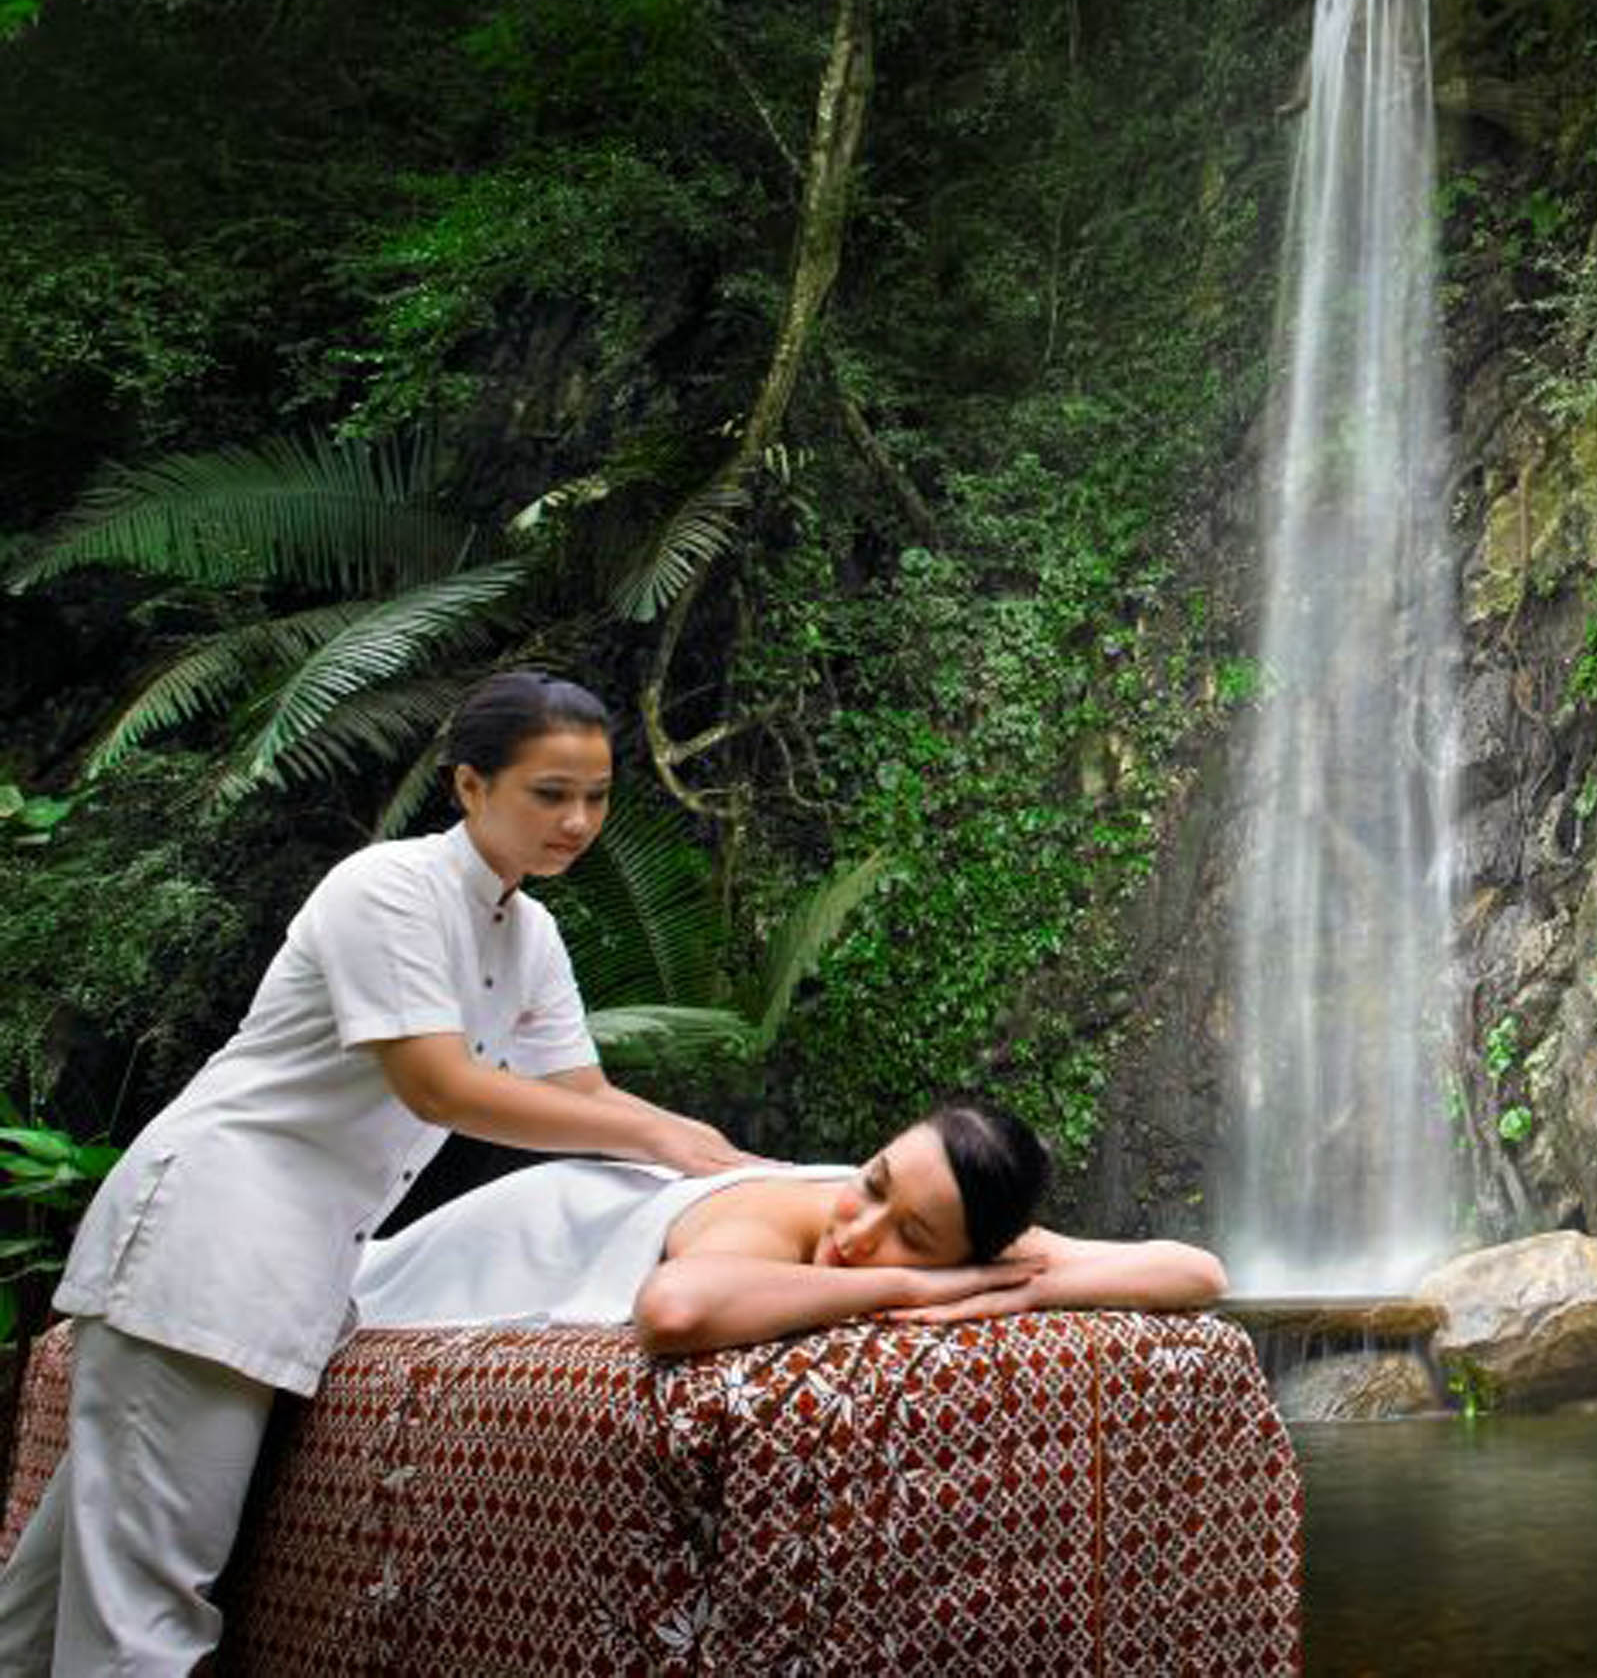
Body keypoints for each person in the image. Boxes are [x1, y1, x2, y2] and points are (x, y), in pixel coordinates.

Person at [0, 672, 762, 1678]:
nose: (578, 819)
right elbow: (439, 1084)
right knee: (144, 1607)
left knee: (49, 1597)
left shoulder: (527, 932)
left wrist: (721, 1156)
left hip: (284, 1267)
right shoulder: (389, 887)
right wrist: (667, 1144)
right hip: (205, 1245)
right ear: (469, 784)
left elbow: (583, 1091)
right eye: (548, 792)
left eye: (597, 794)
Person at [349, 1096, 1230, 1352]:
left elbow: (1195, 1272)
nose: (859, 1226)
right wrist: (918, 1278)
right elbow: (676, 1310)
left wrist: (1015, 1295)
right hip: (442, 1260)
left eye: (911, 1233)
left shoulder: (975, 1230)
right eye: (874, 1180)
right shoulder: (773, 1225)